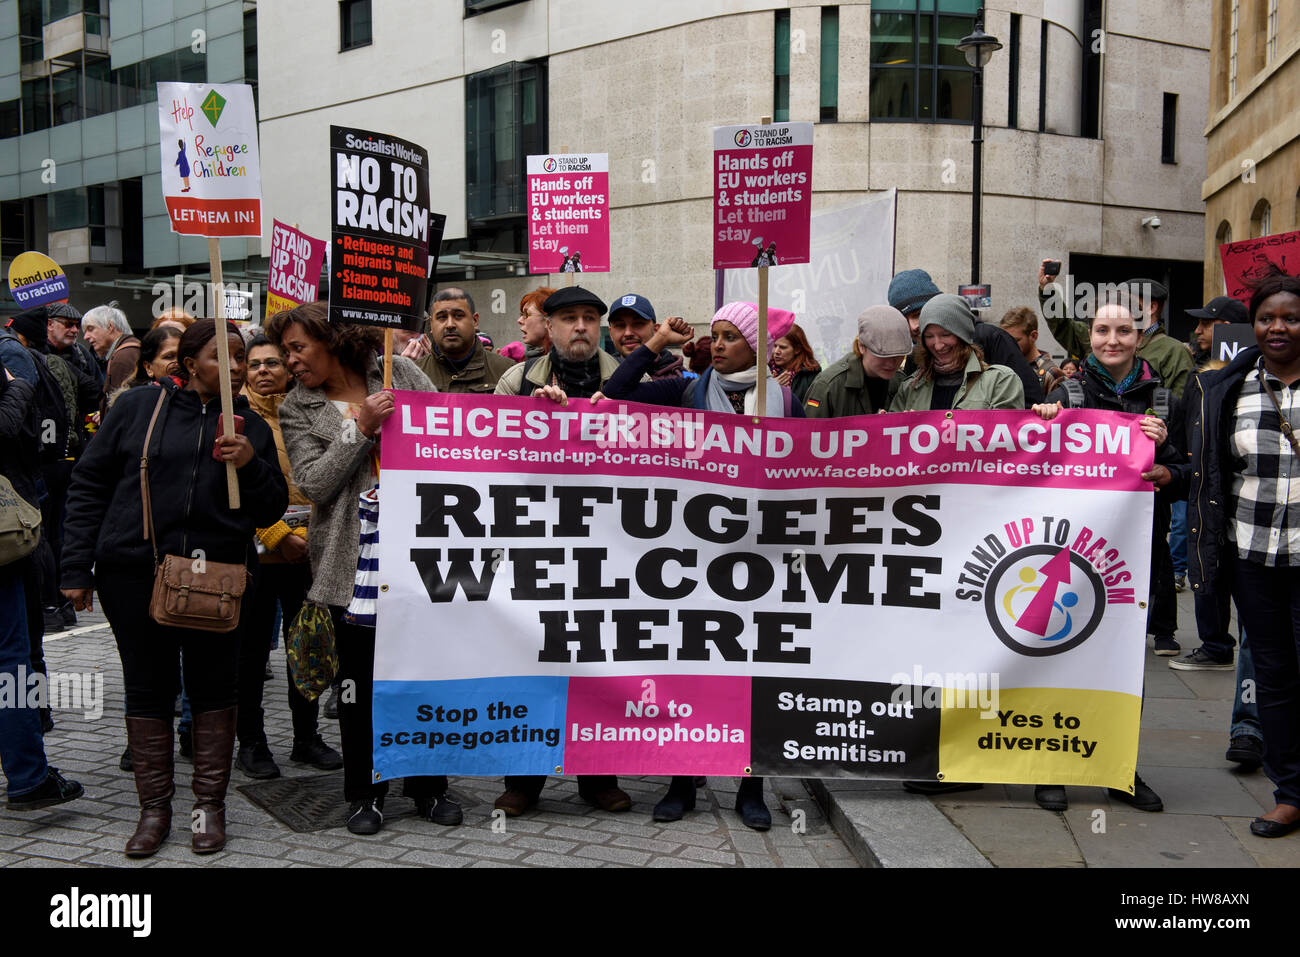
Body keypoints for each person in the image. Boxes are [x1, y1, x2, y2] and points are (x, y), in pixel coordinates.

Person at [60, 319, 288, 856]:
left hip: (220, 580)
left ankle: (209, 808)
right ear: (188, 363)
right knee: (147, 687)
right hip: (133, 573)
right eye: (221, 356)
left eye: (240, 356)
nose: (235, 366)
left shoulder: (249, 425)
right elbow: (89, 484)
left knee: (214, 689)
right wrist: (74, 569)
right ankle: (153, 810)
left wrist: (250, 465)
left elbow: (271, 507)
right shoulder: (138, 408)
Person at [601, 303, 805, 831]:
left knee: (753, 670)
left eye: (730, 336)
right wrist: (657, 342)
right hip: (692, 556)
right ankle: (680, 780)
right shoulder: (688, 390)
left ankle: (750, 787)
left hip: (761, 558)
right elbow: (620, 392)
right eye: (713, 335)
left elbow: (813, 466)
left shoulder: (784, 399)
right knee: (689, 666)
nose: (717, 344)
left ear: (755, 346)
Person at [268, 302, 461, 834]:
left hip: (422, 556)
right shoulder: (298, 407)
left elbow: (453, 428)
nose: (291, 361)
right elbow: (314, 483)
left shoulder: (397, 369)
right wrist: (363, 429)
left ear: (331, 340)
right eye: (285, 351)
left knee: (424, 679)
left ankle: (429, 786)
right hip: (351, 568)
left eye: (298, 348)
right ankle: (365, 794)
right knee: (360, 687)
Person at [1158, 272, 1300, 838]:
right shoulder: (1226, 388)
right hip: (1253, 556)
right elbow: (1210, 470)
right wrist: (1171, 473)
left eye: (1290, 317)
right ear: (1251, 326)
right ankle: (1289, 793)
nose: (1278, 327)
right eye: (1267, 318)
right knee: (1274, 676)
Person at [1026, 297, 1177, 814]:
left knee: (1124, 661)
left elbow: (1184, 472)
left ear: (1141, 336)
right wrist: (1045, 421)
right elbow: (1035, 464)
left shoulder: (1164, 398)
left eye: (1124, 331)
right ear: (1088, 336)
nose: (1112, 340)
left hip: (1132, 557)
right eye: (1102, 330)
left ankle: (1118, 767)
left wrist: (1166, 462)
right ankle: (1052, 766)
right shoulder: (1066, 391)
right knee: (1059, 654)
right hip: (1070, 551)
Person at [237, 334, 342, 778]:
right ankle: (253, 744)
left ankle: (306, 738)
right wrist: (279, 535)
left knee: (308, 649)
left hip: (310, 556)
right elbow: (239, 493)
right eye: (254, 363)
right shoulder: (236, 420)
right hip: (257, 558)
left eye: (273, 363)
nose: (263, 370)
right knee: (251, 654)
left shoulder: (307, 411)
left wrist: (310, 539)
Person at [1, 358, 84, 811]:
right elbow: (8, 428)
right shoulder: (11, 379)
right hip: (4, 542)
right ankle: (28, 777)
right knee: (10, 660)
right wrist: (16, 390)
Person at [888, 268, 1043, 405]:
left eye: (918, 315)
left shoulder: (991, 338)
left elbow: (1029, 402)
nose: (913, 326)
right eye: (904, 319)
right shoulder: (913, 367)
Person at [1037, 266, 1193, 398]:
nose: (1112, 342)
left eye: (1128, 301)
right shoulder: (1100, 338)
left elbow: (1180, 406)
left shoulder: (1174, 351)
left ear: (1151, 307)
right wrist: (1048, 291)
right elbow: (1064, 326)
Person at [889, 294, 1025, 413]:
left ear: (963, 335)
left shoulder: (1000, 381)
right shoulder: (910, 387)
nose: (938, 345)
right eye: (929, 336)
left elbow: (1005, 437)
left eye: (945, 334)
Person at [495, 287, 626, 399]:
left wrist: (618, 414)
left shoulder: (632, 376)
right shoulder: (516, 380)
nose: (581, 327)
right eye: (570, 318)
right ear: (550, 327)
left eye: (589, 318)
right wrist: (533, 412)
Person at [803, 305, 913, 417]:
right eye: (882, 355)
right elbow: (810, 431)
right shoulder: (828, 386)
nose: (891, 363)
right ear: (861, 346)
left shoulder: (900, 382)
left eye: (898, 355)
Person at [410, 288, 514, 392]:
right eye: (442, 317)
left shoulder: (507, 371)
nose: (450, 324)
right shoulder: (413, 373)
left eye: (458, 316)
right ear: (431, 324)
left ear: (475, 321)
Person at [82, 304, 141, 413]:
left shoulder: (124, 356)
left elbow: (122, 409)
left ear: (110, 326)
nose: (85, 337)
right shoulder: (129, 351)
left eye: (90, 329)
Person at [608, 293, 684, 378]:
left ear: (656, 330)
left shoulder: (682, 379)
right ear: (610, 333)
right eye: (620, 325)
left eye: (638, 324)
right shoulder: (598, 378)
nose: (628, 333)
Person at [106, 325, 182, 409]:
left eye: (182, 355)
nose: (178, 362)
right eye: (169, 356)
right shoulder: (132, 404)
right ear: (148, 367)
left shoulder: (195, 398)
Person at [998, 306, 1066, 394]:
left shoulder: (1051, 373)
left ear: (1033, 336)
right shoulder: (1006, 368)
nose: (1008, 345)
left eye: (1015, 340)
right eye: (1005, 340)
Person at [46, 302, 103, 387]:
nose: (75, 330)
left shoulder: (81, 353)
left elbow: (98, 387)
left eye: (78, 325)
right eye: (68, 324)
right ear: (50, 324)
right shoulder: (34, 351)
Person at [1187, 295, 1248, 366]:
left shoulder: (1256, 365)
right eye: (1199, 324)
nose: (1197, 331)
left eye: (1205, 324)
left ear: (1227, 328)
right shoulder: (1192, 360)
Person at [770, 322, 821, 404]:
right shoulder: (763, 369)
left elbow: (813, 406)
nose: (776, 351)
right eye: (775, 346)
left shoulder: (811, 373)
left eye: (783, 347)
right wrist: (769, 388)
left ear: (797, 349)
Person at [517, 286, 556, 359]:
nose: (519, 320)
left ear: (548, 321)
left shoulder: (566, 362)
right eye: (521, 314)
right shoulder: (527, 360)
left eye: (527, 314)